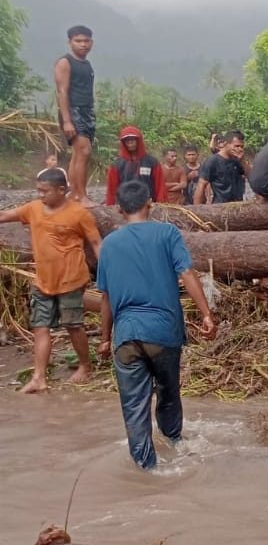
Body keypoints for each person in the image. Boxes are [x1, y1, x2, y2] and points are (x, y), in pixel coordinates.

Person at [95, 180, 218, 468]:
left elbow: (106, 297)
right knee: (168, 391)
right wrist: (206, 315)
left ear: (118, 209)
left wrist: (104, 337)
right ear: (150, 203)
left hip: (125, 336)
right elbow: (186, 273)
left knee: (134, 406)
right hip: (163, 332)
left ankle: (146, 467)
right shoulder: (167, 233)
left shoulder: (110, 244)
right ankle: (174, 442)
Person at [0, 168, 102, 392]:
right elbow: (5, 216)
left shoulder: (79, 213)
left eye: (44, 191)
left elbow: (96, 243)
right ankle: (38, 377)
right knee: (40, 327)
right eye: (38, 190)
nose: (40, 195)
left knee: (73, 325)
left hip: (71, 279)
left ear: (61, 190)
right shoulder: (33, 208)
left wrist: (107, 272)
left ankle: (85, 366)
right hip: (43, 281)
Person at [53, 25, 95, 201]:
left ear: (91, 43)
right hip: (73, 111)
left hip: (87, 111)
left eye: (86, 41)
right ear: (70, 42)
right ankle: (82, 195)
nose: (82, 44)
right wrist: (67, 120)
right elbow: (62, 91)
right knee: (84, 151)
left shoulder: (86, 64)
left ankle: (73, 193)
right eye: (78, 41)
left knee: (78, 154)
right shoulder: (65, 62)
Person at [103, 126, 165, 206]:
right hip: (125, 206)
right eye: (127, 141)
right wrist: (110, 205)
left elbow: (160, 186)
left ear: (139, 140)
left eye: (133, 140)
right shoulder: (117, 164)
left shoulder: (152, 162)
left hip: (147, 205)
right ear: (123, 143)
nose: (130, 143)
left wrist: (161, 205)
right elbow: (111, 189)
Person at [196, 131, 247, 204]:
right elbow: (201, 185)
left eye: (242, 147)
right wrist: (196, 209)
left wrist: (243, 161)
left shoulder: (237, 160)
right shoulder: (212, 161)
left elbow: (251, 177)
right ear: (226, 144)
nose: (240, 149)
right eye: (236, 146)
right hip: (220, 205)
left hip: (237, 205)